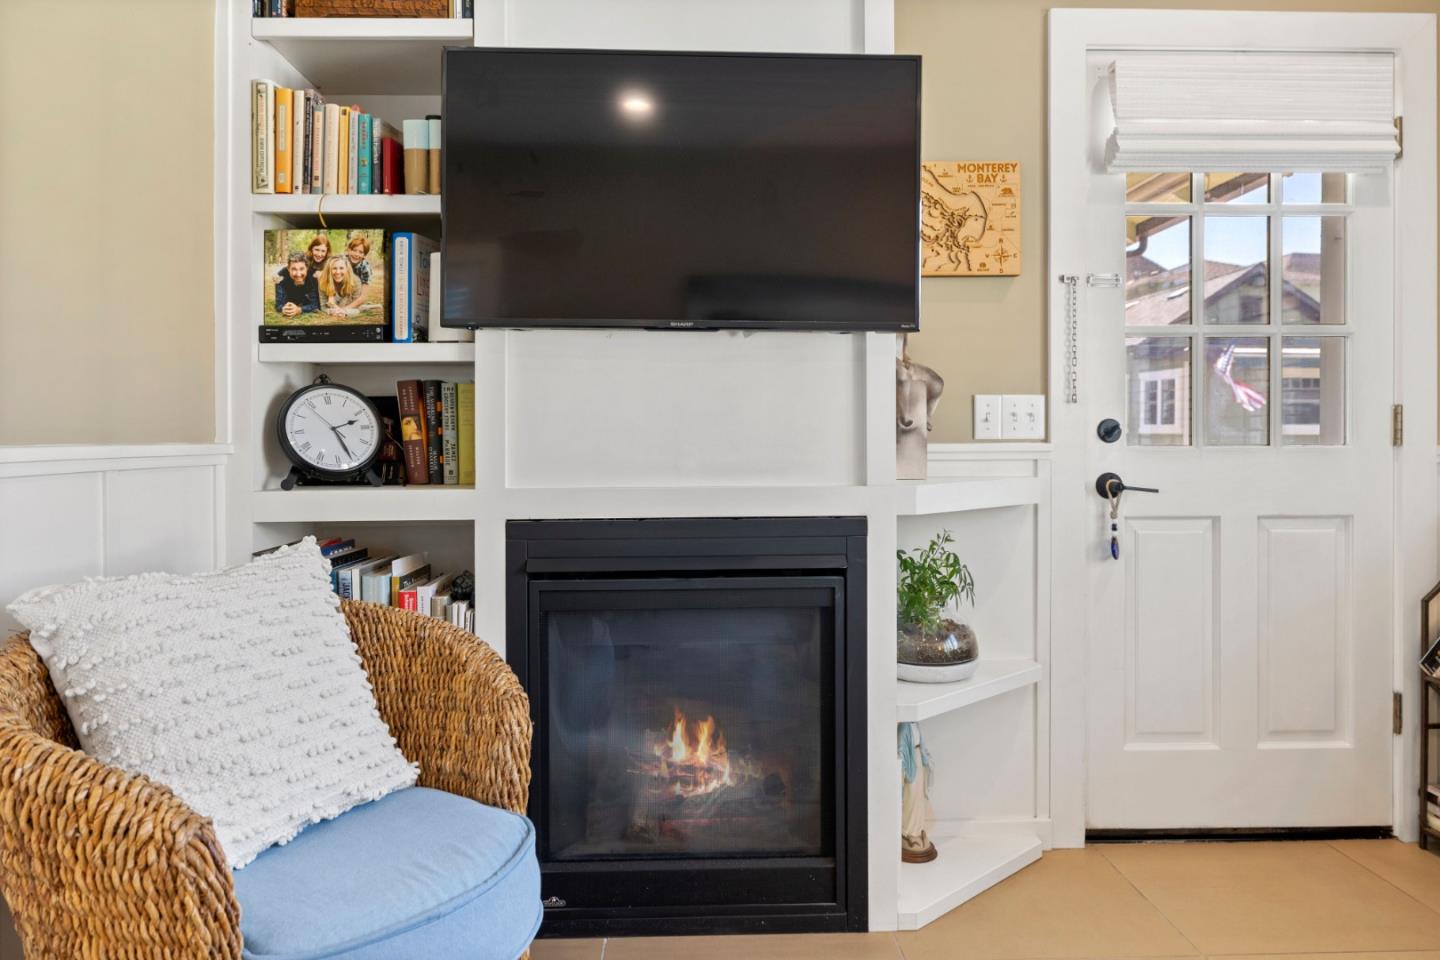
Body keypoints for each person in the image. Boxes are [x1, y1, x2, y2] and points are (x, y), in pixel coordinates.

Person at [274, 252, 318, 319]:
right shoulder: (280, 276)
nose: (298, 274)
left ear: (307, 268)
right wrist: (284, 309)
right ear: (288, 269)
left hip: (305, 301)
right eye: (294, 269)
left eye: (301, 269)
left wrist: (299, 310)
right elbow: (278, 304)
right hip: (289, 300)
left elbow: (315, 304)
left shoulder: (313, 276)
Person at [344, 231, 374, 305]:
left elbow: (363, 296)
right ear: (349, 250)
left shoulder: (365, 268)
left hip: (356, 297)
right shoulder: (342, 261)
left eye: (361, 252)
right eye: (354, 250)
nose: (356, 254)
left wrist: (345, 309)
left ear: (364, 255)